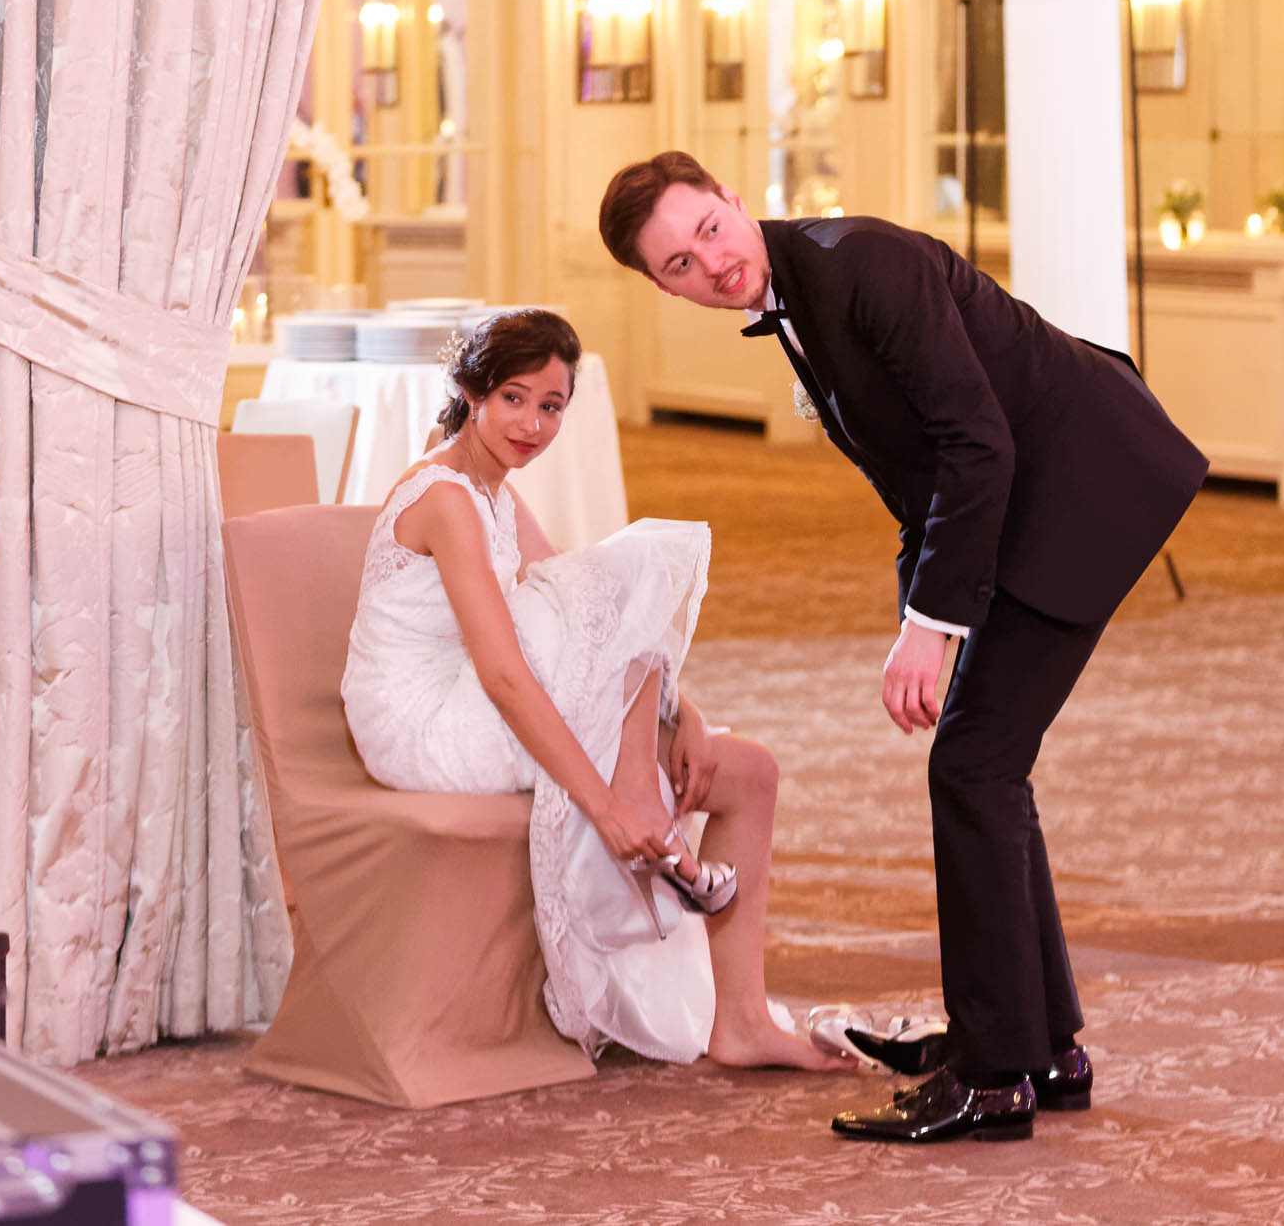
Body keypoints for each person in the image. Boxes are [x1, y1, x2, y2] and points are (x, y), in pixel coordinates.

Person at [597, 153, 1208, 1143]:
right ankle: (1042, 1048)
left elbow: (975, 442)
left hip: (1080, 490)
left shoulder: (861, 264)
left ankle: (993, 1072)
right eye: (678, 264)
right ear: (663, 287)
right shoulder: (798, 297)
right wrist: (916, 618)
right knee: (986, 767)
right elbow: (914, 480)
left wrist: (934, 625)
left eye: (708, 230)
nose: (709, 264)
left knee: (972, 768)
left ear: (735, 202)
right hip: (1022, 509)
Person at [340, 307, 849, 1072]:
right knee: (623, 567)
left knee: (748, 771)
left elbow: (604, 622)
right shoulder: (444, 494)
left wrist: (684, 710)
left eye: (550, 406)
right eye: (514, 398)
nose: (532, 424)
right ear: (471, 393)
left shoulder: (496, 492)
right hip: (426, 724)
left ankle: (741, 1020)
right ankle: (637, 791)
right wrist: (608, 806)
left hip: (480, 696)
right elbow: (504, 673)